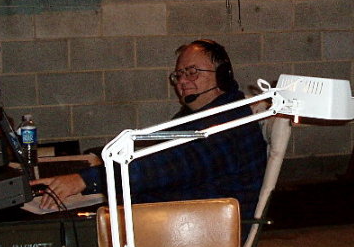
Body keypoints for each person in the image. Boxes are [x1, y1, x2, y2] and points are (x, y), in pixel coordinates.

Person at [31, 39, 268, 222]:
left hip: (201, 228)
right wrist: (100, 168)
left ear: (223, 76)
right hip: (184, 214)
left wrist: (84, 180)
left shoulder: (225, 126)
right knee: (82, 218)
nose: (183, 81)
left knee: (80, 231)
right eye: (179, 75)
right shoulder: (203, 116)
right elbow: (161, 158)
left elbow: (167, 168)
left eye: (193, 72)